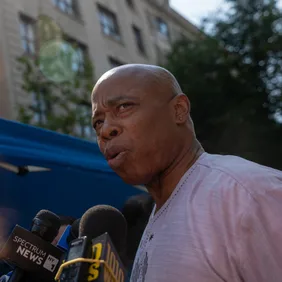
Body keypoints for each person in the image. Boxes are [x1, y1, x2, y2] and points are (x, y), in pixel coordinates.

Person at [91, 64, 282, 282]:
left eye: (124, 107)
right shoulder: (157, 215)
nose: (106, 130)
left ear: (179, 110)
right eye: (98, 122)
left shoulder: (249, 195)